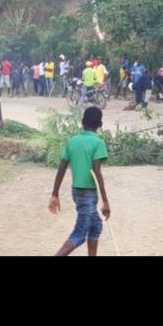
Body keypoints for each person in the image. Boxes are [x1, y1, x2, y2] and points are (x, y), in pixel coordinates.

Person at [48, 107, 111, 256]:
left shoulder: (72, 141)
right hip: (88, 194)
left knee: (96, 226)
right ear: (100, 125)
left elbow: (62, 168)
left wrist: (55, 193)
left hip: (76, 193)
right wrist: (105, 201)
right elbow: (97, 172)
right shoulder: (98, 143)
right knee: (80, 234)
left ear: (82, 123)